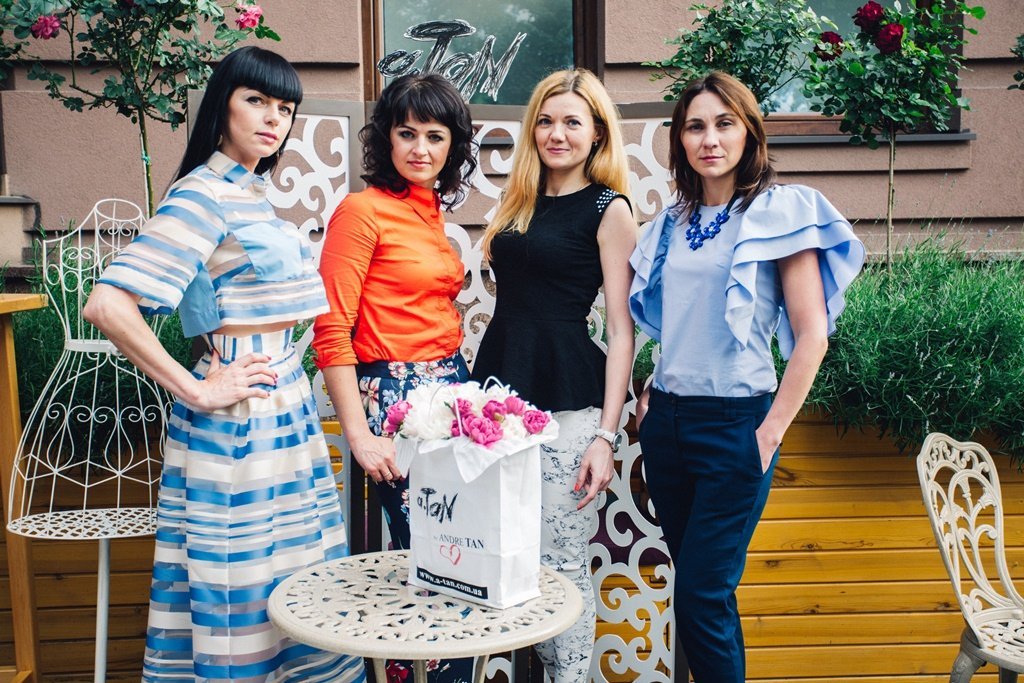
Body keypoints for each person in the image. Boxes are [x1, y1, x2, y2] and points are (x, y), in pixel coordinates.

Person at [83, 47, 365, 682]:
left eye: (285, 108)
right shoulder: (202, 195)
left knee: (292, 577)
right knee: (240, 583)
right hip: (240, 422)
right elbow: (107, 304)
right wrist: (197, 389)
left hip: (285, 414)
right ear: (222, 106)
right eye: (256, 100)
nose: (273, 119)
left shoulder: (252, 194)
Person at [629, 71, 865, 683]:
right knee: (704, 593)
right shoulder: (670, 224)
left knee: (702, 596)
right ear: (680, 140)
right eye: (695, 127)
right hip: (668, 425)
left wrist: (769, 433)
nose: (709, 139)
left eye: (724, 123)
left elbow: (812, 336)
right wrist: (652, 389)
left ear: (749, 132)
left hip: (737, 427)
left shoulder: (780, 213)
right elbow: (677, 323)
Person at [471, 69, 637, 682]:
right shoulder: (517, 200)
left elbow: (621, 330)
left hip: (569, 405)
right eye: (545, 120)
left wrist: (606, 436)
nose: (556, 133)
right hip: (499, 397)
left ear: (597, 134)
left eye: (572, 122)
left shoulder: (609, 209)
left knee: (561, 560)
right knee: (498, 551)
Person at [312, 72, 477, 683]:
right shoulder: (361, 211)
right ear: (386, 137)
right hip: (395, 395)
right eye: (407, 133)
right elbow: (331, 328)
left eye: (435, 136)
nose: (420, 149)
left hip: (452, 387)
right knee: (434, 552)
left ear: (453, 147)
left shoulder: (430, 212)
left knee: (464, 552)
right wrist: (358, 433)